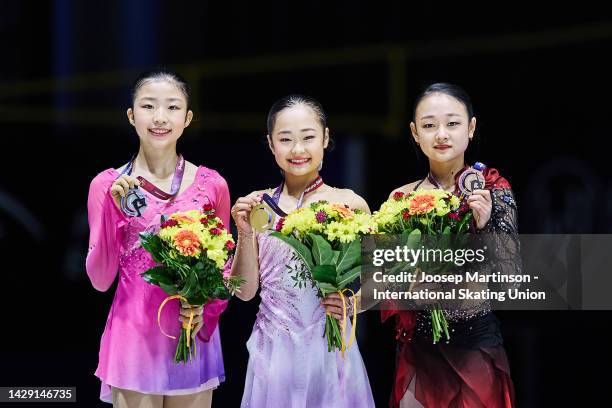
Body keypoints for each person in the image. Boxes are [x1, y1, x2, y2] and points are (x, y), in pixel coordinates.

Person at [86, 70, 230, 407]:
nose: (160, 118)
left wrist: (202, 306)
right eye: (149, 106)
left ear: (188, 118)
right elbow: (100, 279)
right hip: (133, 336)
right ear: (132, 116)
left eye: (172, 107)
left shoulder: (213, 184)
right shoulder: (107, 185)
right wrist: (113, 212)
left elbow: (223, 269)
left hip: (191, 333)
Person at [230, 95, 375, 408]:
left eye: (308, 137)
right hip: (274, 353)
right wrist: (243, 231)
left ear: (325, 138)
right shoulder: (257, 206)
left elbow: (384, 280)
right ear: (271, 144)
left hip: (331, 349)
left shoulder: (350, 204)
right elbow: (244, 292)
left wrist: (352, 304)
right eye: (285, 139)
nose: (297, 150)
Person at [384, 83, 519, 407]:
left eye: (453, 123)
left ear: (471, 128)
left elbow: (510, 280)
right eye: (429, 125)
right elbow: (384, 279)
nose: (441, 134)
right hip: (419, 351)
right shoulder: (401, 200)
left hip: (476, 348)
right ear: (415, 133)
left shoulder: (493, 190)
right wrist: (410, 283)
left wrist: (485, 226)